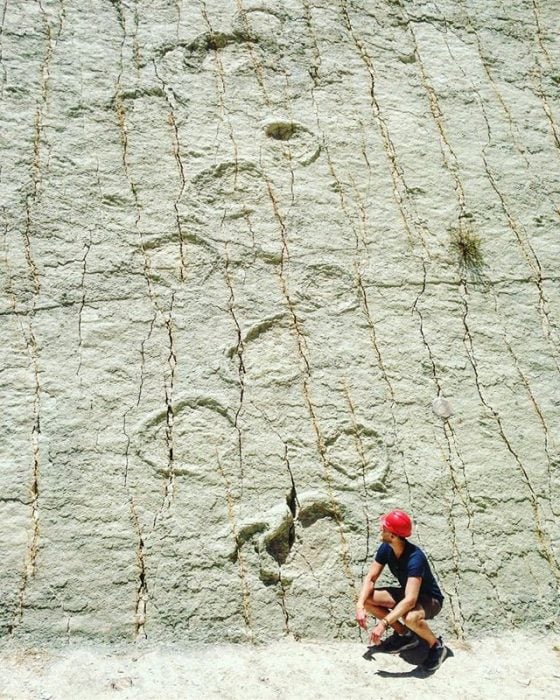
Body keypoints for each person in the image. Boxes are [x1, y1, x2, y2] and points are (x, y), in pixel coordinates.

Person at [355, 509, 448, 672]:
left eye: (384, 528)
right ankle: (405, 635)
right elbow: (371, 578)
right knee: (368, 598)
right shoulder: (386, 548)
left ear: (392, 535)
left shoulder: (415, 558)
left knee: (410, 617)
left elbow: (410, 600)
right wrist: (360, 605)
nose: (380, 529)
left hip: (430, 600)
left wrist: (384, 624)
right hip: (409, 594)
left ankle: (437, 646)